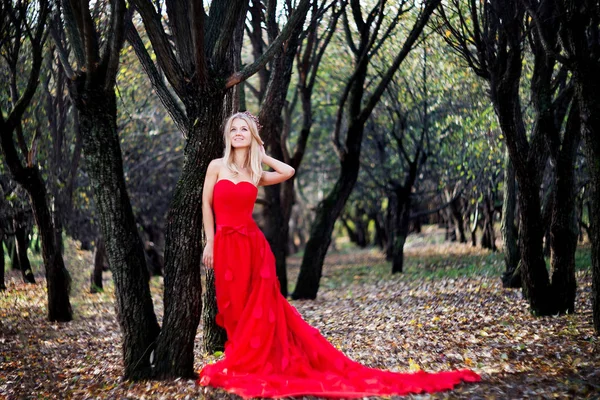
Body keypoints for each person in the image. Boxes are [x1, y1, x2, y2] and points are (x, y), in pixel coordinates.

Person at [198, 112, 480, 399]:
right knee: (234, 308)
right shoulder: (216, 166)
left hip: (253, 249)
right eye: (233, 129)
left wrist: (262, 154)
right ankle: (243, 360)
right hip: (225, 246)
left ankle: (253, 364)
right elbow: (206, 205)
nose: (238, 133)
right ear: (227, 135)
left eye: (244, 129)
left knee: (259, 310)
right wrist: (210, 242)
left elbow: (288, 172)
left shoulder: (255, 173)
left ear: (252, 136)